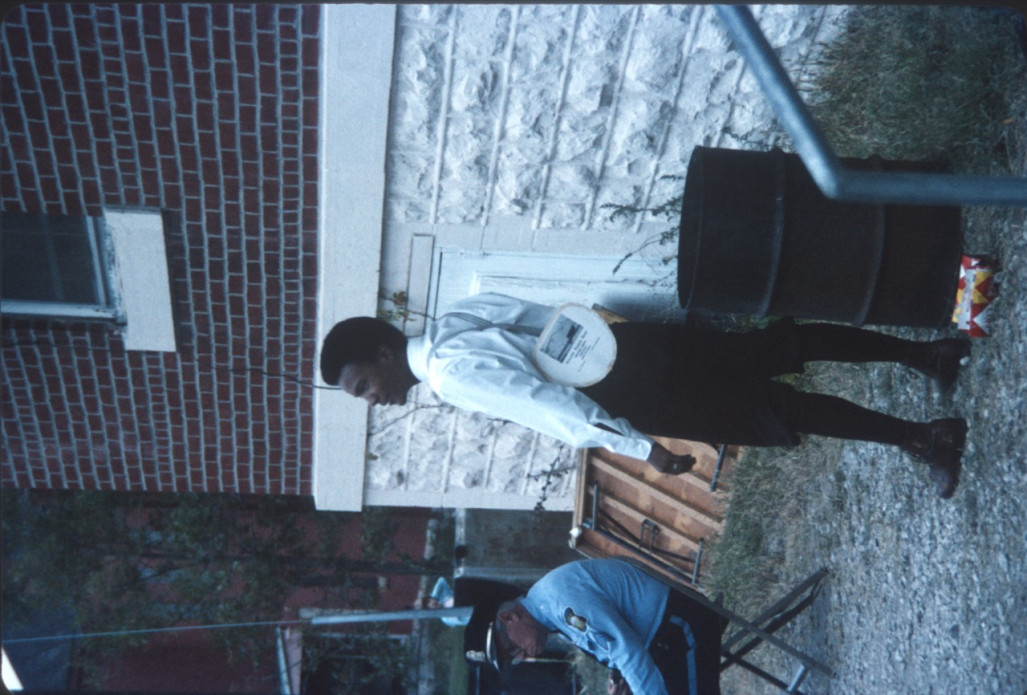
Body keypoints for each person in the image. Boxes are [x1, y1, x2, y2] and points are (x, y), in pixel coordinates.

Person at [319, 292, 970, 498]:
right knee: (771, 349)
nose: (372, 400)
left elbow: (550, 407)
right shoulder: (457, 315)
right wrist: (611, 340)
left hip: (628, 387)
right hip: (627, 347)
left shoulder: (450, 375)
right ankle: (926, 355)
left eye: (363, 385)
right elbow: (548, 315)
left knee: (771, 407)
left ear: (383, 353)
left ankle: (924, 436)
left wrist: (640, 448)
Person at [462, 556, 725, 695]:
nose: (522, 656)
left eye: (511, 649)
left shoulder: (560, 603)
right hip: (662, 640)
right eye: (513, 659)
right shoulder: (547, 610)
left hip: (680, 626)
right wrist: (621, 680)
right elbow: (615, 648)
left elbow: (628, 652)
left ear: (509, 617)